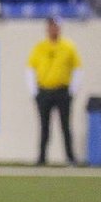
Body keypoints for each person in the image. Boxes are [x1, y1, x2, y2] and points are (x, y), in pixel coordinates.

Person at [26, 17, 82, 166]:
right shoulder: (40, 47)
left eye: (55, 27)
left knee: (65, 126)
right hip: (44, 91)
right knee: (44, 126)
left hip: (62, 91)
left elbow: (77, 69)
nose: (53, 29)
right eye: (51, 26)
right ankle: (42, 158)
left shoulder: (68, 46)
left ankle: (70, 158)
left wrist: (73, 90)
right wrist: (34, 92)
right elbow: (31, 69)